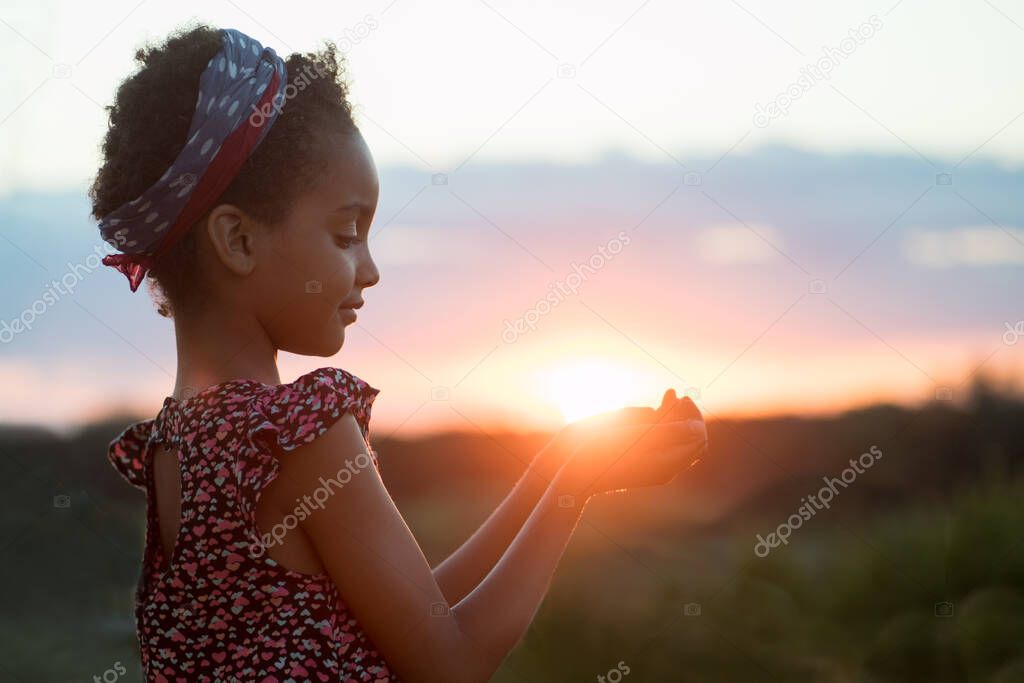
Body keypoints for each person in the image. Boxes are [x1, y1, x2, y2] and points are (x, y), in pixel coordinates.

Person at [93, 23, 708, 682]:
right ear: (238, 240)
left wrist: (559, 460)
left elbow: (412, 616)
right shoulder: (296, 434)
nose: (370, 269)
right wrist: (573, 490)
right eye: (346, 233)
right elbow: (451, 661)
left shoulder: (177, 442)